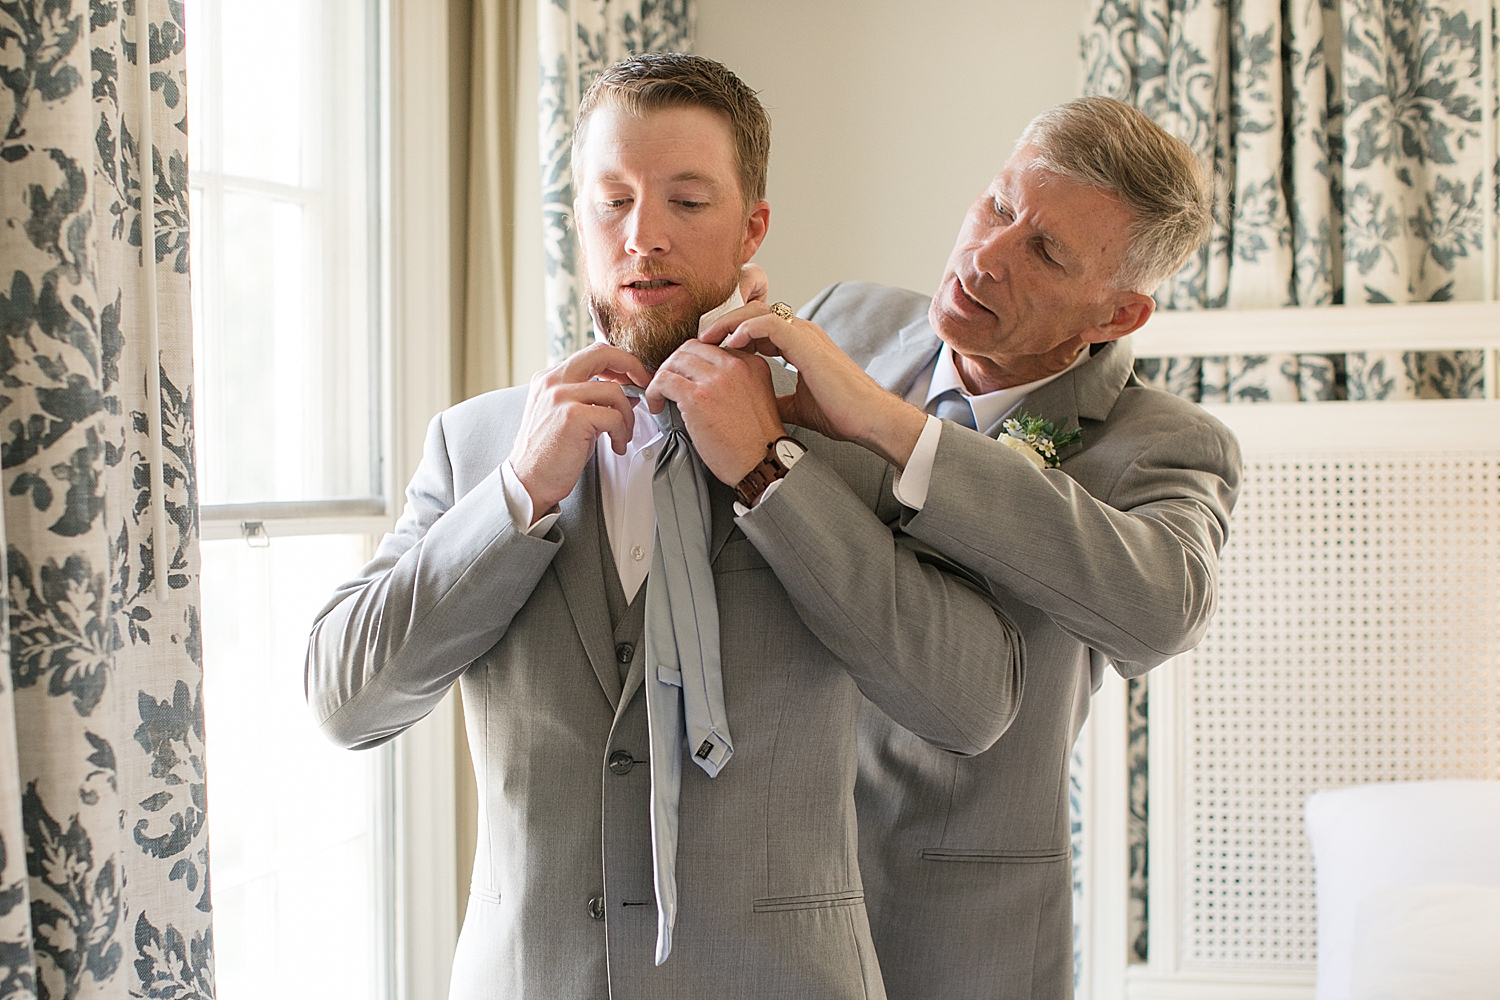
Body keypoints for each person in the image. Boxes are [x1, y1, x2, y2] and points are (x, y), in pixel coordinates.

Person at [304, 54, 1023, 1000]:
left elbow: (970, 708)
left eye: (687, 201)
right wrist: (517, 493)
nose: (643, 235)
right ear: (580, 220)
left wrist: (773, 474)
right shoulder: (476, 445)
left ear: (752, 225)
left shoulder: (840, 435)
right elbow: (345, 697)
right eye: (613, 201)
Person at [701, 96, 1243, 1000]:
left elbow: (1162, 612)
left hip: (958, 936)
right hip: (755, 896)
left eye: (1046, 252)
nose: (987, 255)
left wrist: (894, 429)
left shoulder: (1166, 445)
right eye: (998, 207)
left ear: (1116, 314)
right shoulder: (846, 317)